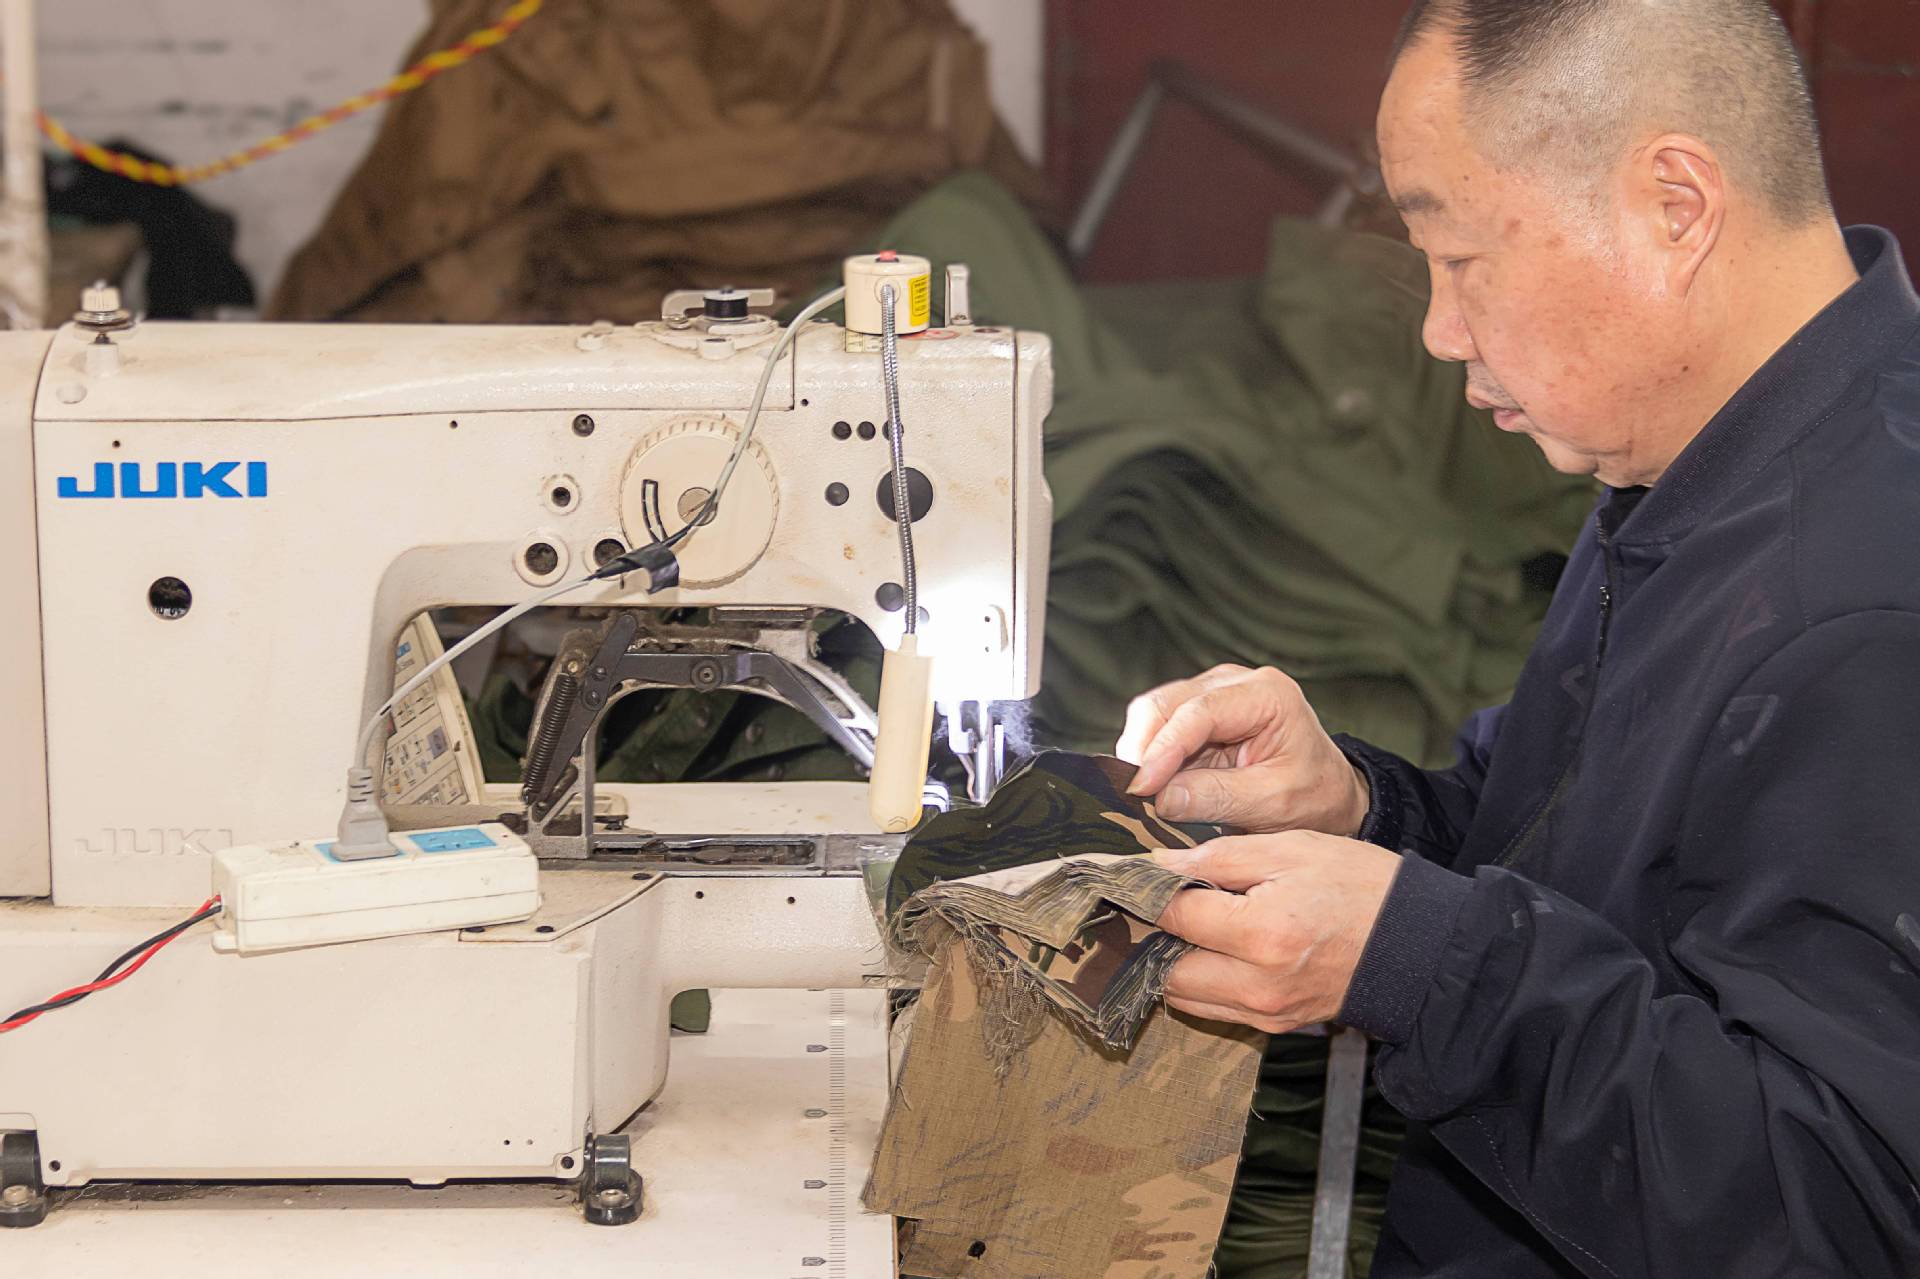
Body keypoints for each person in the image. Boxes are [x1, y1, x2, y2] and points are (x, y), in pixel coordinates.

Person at [1118, 1, 1920, 1274]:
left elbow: (1838, 1209)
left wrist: (1418, 964)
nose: (1439, 330)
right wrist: (1363, 813)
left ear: (1674, 208)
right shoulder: (1692, 466)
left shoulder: (1867, 607)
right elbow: (1582, 869)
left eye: (1460, 256)